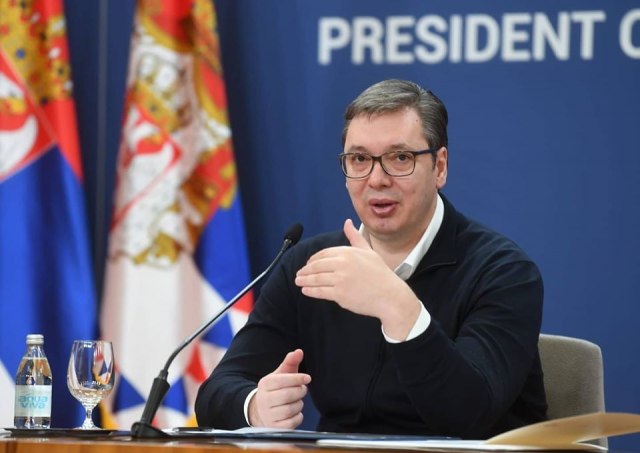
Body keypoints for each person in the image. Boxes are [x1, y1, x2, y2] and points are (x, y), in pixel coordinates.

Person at [195, 79, 547, 439]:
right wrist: (255, 406)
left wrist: (397, 307)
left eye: (400, 158)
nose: (377, 179)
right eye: (360, 159)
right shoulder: (312, 267)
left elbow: (469, 414)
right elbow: (215, 393)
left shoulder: (503, 273)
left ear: (439, 167)